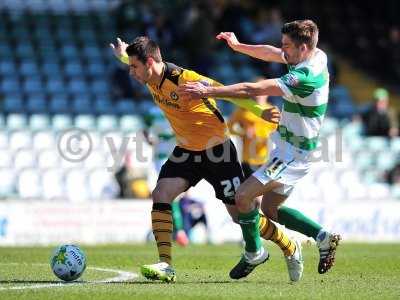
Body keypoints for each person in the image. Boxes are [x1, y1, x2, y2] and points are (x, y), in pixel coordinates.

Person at [110, 36, 302, 283]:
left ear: (149, 63)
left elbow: (229, 93)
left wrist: (260, 110)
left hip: (217, 151)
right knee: (161, 193)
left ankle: (289, 245)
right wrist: (124, 55)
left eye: (134, 67)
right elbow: (136, 61)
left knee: (241, 216)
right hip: (187, 150)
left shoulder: (184, 79)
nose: (131, 72)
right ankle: (166, 264)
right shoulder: (148, 74)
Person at [179, 19, 341, 276]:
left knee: (243, 197)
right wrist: (238, 45)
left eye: (287, 45)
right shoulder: (315, 55)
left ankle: (253, 253)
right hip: (292, 149)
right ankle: (322, 236)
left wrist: (207, 91)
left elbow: (250, 89)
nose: (282, 50)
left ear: (303, 48)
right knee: (270, 209)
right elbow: (270, 52)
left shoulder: (304, 76)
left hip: (293, 153)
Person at [228, 78, 277, 178]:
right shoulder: (244, 109)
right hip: (248, 158)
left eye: (263, 91)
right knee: (249, 189)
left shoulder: (272, 110)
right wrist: (242, 132)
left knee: (262, 189)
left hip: (265, 158)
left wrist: (270, 136)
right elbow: (228, 128)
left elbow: (278, 131)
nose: (259, 94)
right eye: (257, 91)